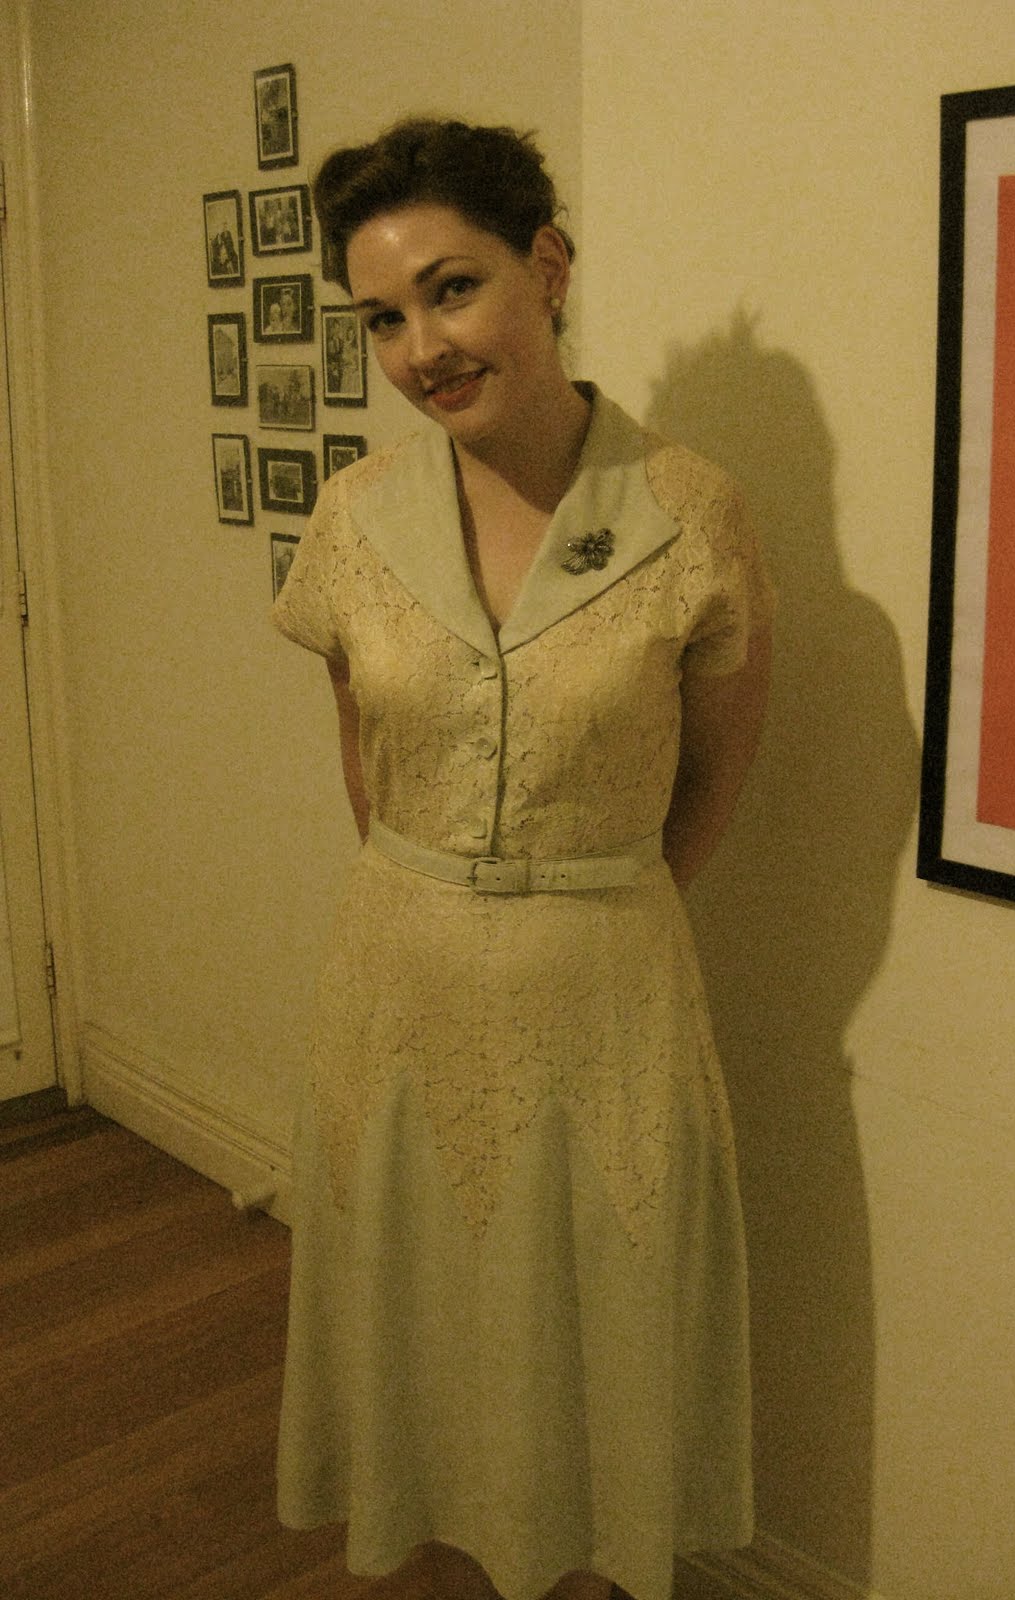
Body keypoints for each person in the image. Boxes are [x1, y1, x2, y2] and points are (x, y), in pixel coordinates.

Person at [271, 117, 773, 1600]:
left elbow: (715, 773)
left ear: (546, 267)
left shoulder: (689, 510)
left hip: (607, 988)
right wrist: (441, 890)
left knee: (599, 1316)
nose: (421, 347)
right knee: (424, 1309)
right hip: (398, 980)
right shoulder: (356, 516)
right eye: (382, 317)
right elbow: (368, 757)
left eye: (453, 288)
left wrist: (585, 898)